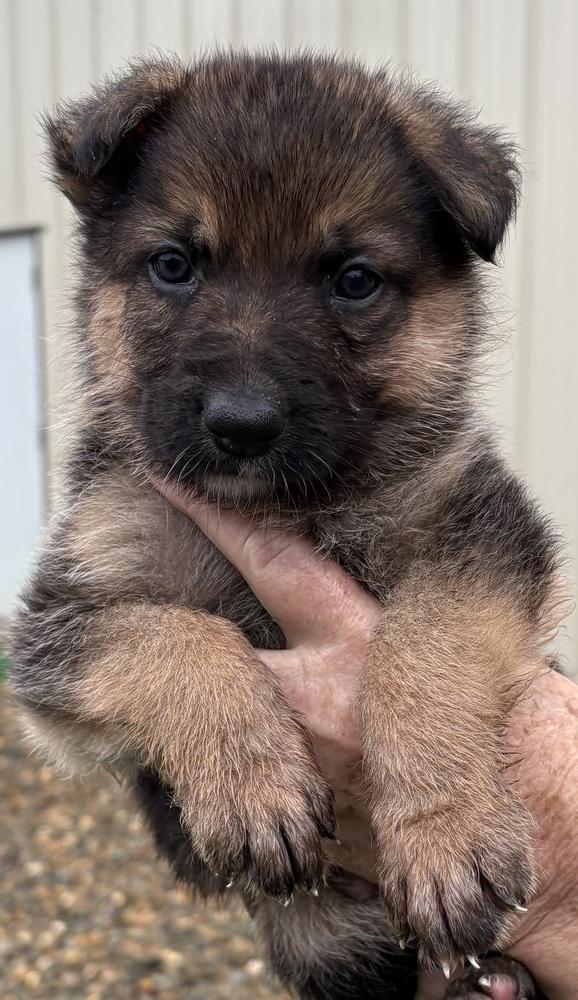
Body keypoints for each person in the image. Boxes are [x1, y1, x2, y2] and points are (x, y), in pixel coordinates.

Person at [155, 482, 578, 1000]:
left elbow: (501, 560)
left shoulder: (427, 462)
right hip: (322, 912)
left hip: (363, 872)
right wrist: (213, 708)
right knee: (334, 961)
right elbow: (56, 658)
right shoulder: (125, 481)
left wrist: (435, 790)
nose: (245, 411)